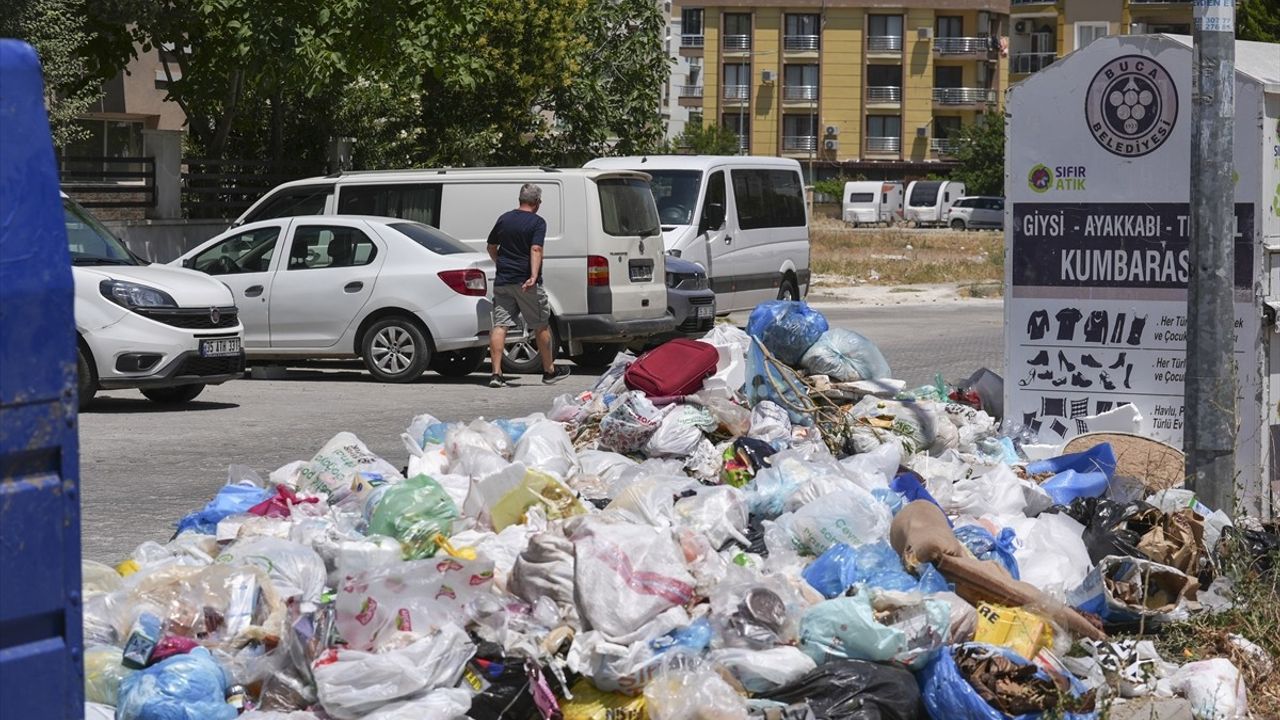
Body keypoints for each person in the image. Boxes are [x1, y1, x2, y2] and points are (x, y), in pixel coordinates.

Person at [486, 183, 569, 388]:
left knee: (500, 325)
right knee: (540, 324)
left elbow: (491, 246)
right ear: (537, 203)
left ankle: (496, 374)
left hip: (503, 280)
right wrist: (532, 276)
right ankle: (549, 371)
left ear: (520, 200)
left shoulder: (504, 218)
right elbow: (536, 249)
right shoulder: (537, 222)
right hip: (525, 283)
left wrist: (501, 263)